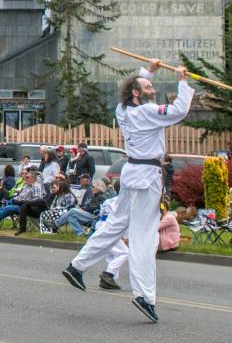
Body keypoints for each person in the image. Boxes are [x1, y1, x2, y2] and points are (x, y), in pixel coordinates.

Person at [62, 60, 194, 324]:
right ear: (136, 93)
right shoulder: (147, 111)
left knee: (115, 224)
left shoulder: (123, 110)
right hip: (146, 178)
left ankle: (77, 266)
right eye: (148, 87)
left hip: (133, 173)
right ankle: (145, 296)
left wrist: (148, 71)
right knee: (144, 237)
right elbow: (180, 110)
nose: (153, 90)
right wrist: (182, 80)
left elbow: (137, 91)